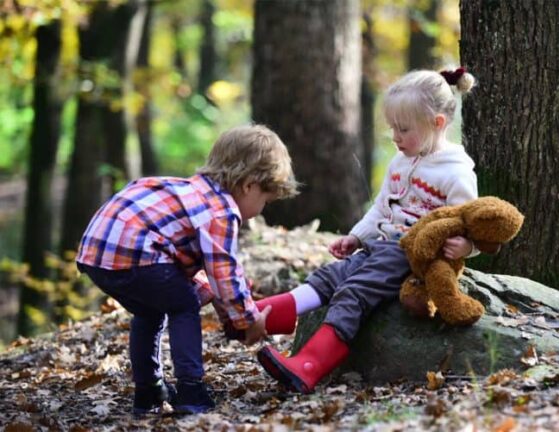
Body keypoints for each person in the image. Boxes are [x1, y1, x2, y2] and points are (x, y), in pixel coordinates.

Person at [255, 67, 479, 394]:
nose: (395, 137)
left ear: (437, 123)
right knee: (330, 276)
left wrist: (466, 247)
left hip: (410, 255)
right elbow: (381, 208)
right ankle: (269, 315)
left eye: (404, 129)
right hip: (382, 246)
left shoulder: (455, 173)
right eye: (392, 128)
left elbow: (471, 222)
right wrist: (357, 236)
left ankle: (309, 365)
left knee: (354, 292)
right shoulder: (401, 162)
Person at [75, 124, 298, 415]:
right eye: (265, 201)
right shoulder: (221, 210)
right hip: (134, 253)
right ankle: (191, 391)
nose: (261, 209)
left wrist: (224, 308)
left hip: (97, 253)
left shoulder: (186, 191)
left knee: (150, 310)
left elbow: (197, 273)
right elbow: (223, 271)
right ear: (249, 186)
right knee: (184, 305)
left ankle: (149, 390)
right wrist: (247, 318)